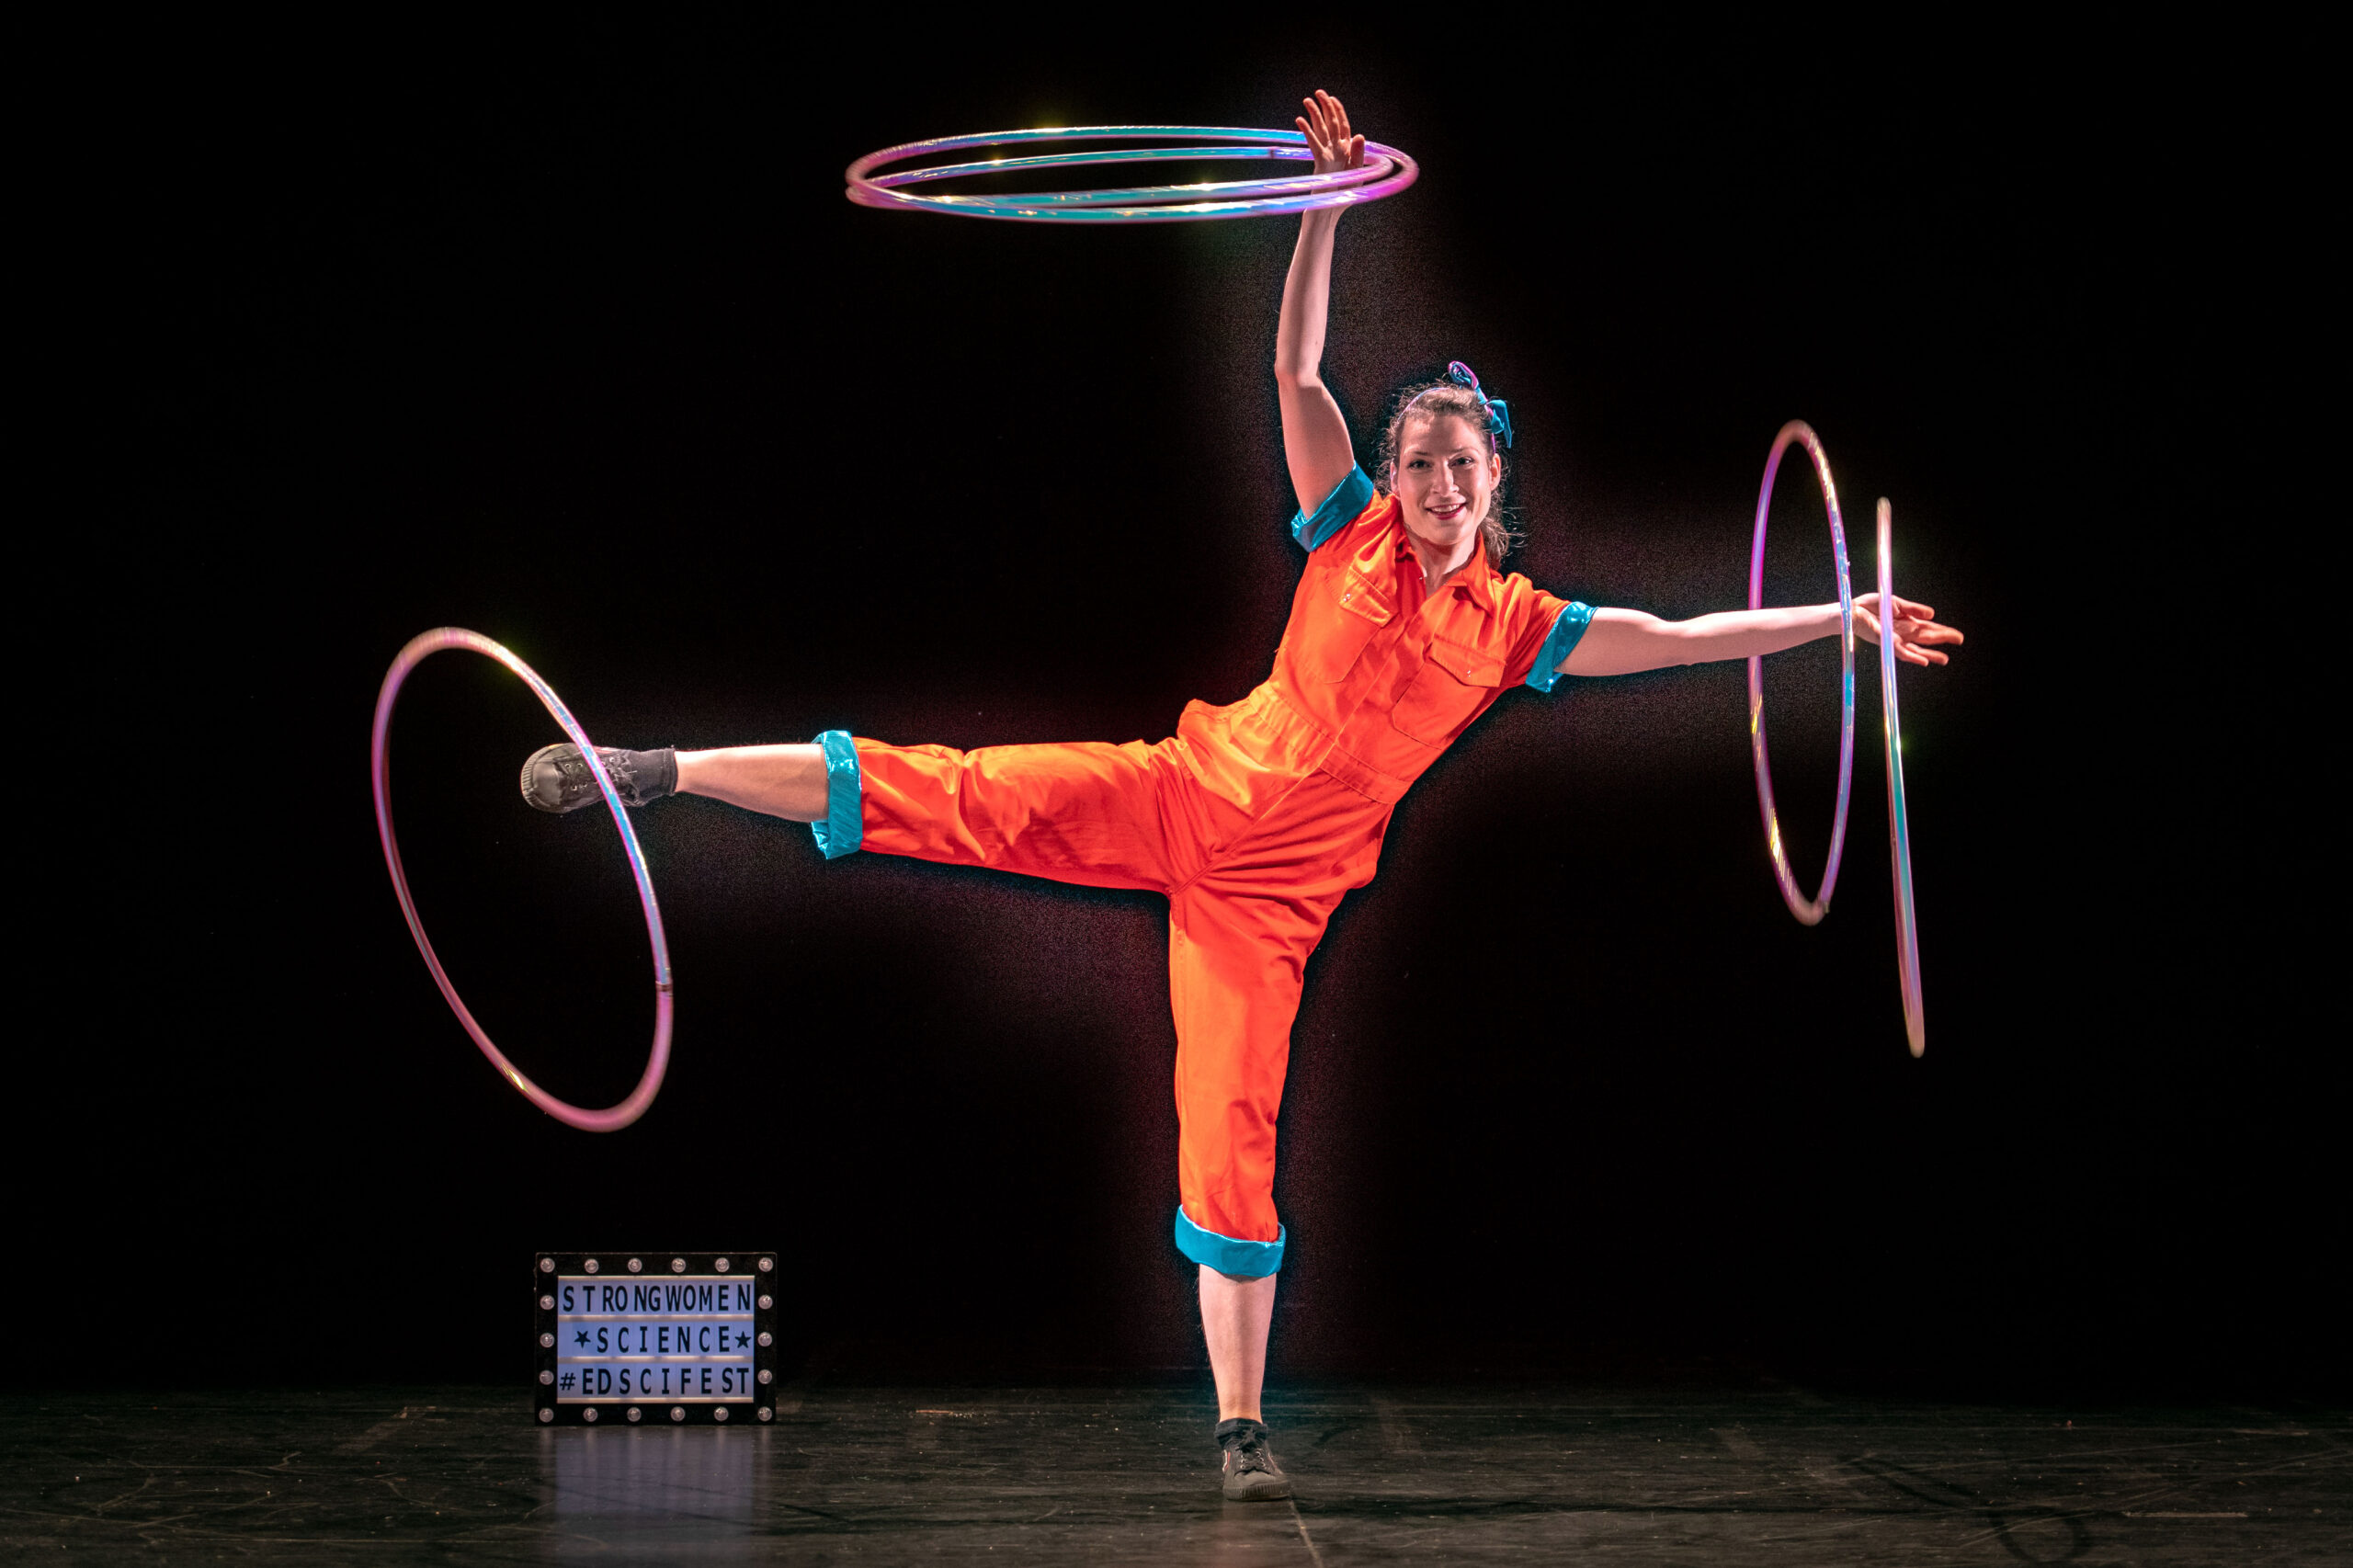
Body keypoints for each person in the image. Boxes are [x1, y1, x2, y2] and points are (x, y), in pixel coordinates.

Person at [517, 91, 1961, 1501]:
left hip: (1268, 906)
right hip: (1179, 792)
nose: (1442, 483)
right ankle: (656, 771)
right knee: (940, 789)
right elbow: (1297, 377)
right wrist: (1324, 210)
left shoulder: (1521, 628)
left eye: (1464, 463)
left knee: (1232, 1127)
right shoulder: (1345, 539)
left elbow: (1688, 638)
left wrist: (1837, 619)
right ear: (1389, 479)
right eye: (1420, 463)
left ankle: (1239, 1428)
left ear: (1496, 474)